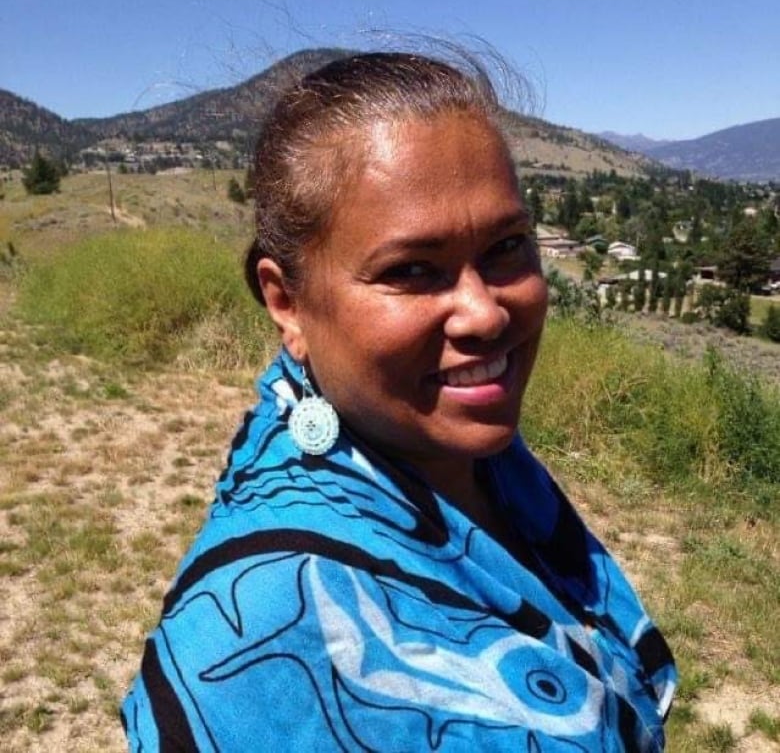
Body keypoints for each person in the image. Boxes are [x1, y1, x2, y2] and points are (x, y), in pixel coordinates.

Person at [122, 51, 676, 752]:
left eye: (508, 246)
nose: (484, 313)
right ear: (287, 302)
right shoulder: (268, 623)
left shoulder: (476, 469)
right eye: (412, 270)